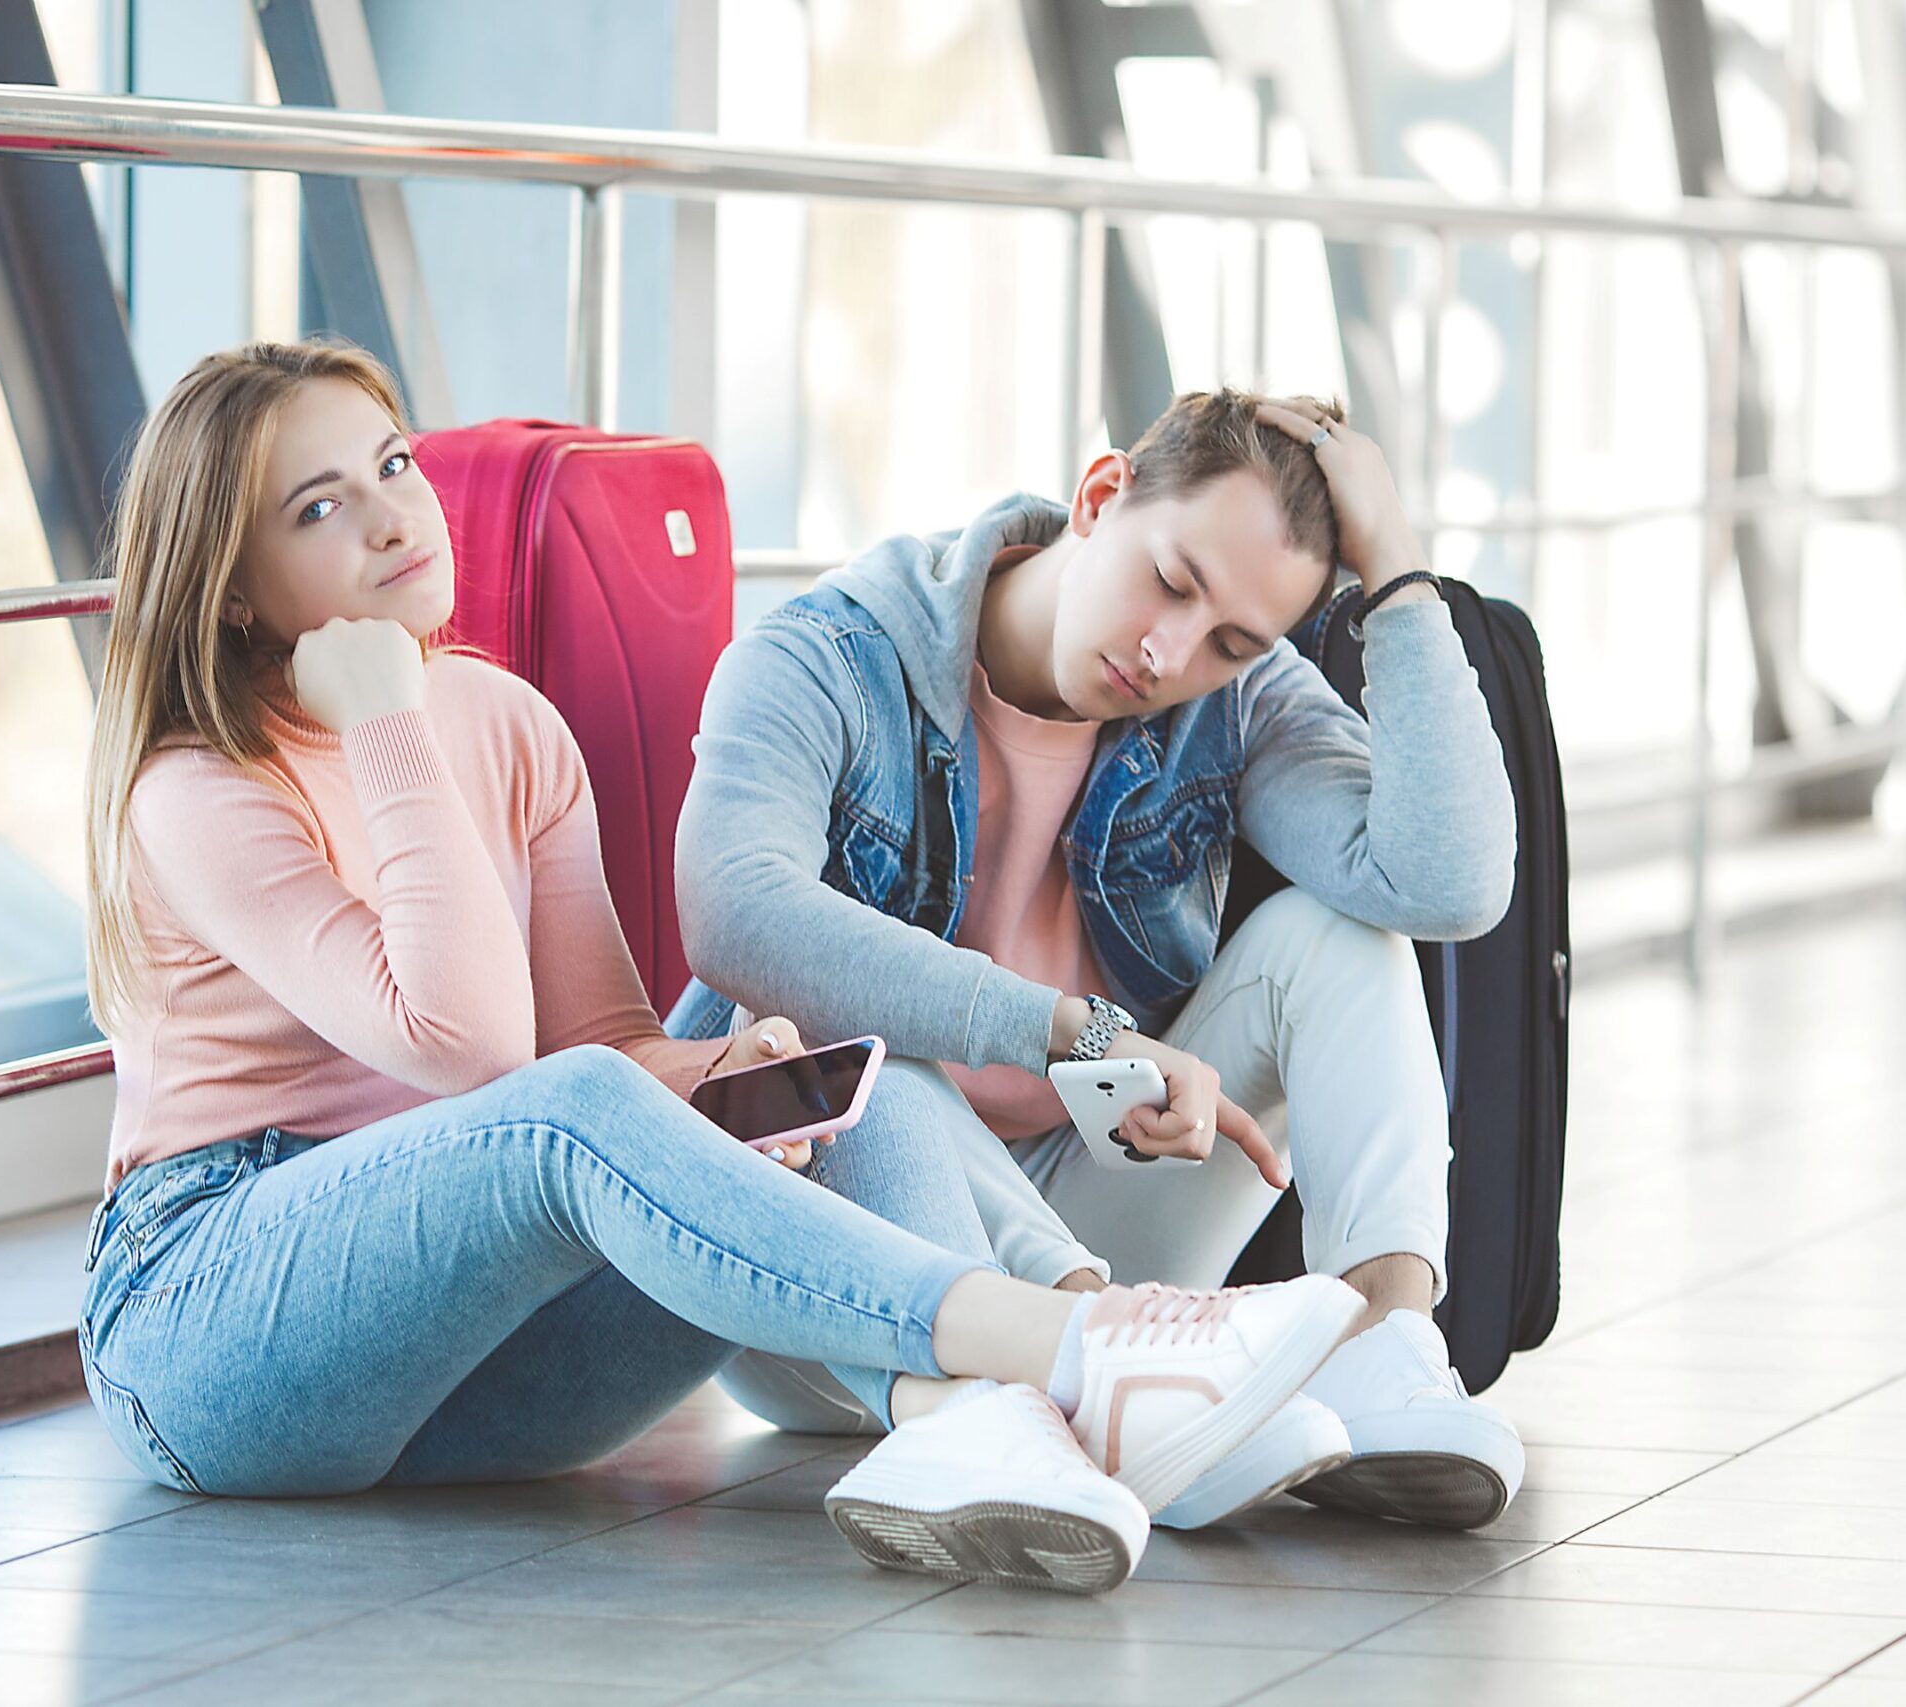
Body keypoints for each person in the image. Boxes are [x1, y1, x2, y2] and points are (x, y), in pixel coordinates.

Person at [75, 340, 1370, 1597]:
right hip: (212, 1324)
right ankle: (1093, 1348)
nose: (389, 515)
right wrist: (386, 718)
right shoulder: (195, 789)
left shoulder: (511, 725)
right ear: (235, 584)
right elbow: (471, 1044)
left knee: (821, 1051)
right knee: (568, 1113)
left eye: (394, 462)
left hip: (475, 1361)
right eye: (320, 505)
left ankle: (987, 1418)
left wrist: (724, 1069)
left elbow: (606, 1040)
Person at [671, 388, 1527, 1529]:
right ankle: (1110, 1391)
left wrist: (1400, 574)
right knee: (853, 1025)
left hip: (1084, 1247)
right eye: (1171, 581)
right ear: (1100, 493)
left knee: (1338, 933)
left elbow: (1445, 885)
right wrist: (1080, 1034)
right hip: (840, 1273)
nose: (1169, 652)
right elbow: (734, 914)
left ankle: (1375, 1346)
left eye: (1231, 639)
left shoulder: (1234, 701)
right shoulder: (829, 654)